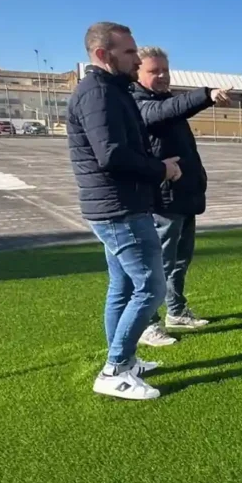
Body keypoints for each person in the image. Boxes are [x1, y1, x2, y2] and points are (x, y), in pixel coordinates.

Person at [67, 22, 179, 401]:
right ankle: (114, 369)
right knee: (151, 285)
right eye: (129, 52)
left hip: (118, 205)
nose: (137, 58)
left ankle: (125, 360)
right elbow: (112, 155)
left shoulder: (110, 91)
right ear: (103, 54)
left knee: (124, 286)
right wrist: (162, 168)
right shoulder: (98, 94)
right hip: (118, 208)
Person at [131, 46, 234, 346]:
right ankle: (147, 322)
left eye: (165, 70)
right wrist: (206, 94)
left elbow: (172, 109)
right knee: (158, 263)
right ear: (138, 72)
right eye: (154, 71)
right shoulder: (137, 102)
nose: (162, 76)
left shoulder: (165, 100)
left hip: (184, 196)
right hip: (161, 199)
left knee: (179, 260)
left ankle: (176, 311)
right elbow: (163, 113)